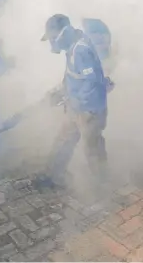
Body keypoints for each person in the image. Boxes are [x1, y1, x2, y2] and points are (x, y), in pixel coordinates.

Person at [41, 14, 110, 188]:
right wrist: (60, 90)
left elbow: (91, 82)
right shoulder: (73, 47)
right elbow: (73, 76)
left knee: (92, 149)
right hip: (77, 108)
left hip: (89, 111)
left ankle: (102, 186)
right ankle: (52, 176)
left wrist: (75, 101)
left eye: (52, 38)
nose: (52, 43)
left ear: (62, 34)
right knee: (63, 140)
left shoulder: (80, 50)